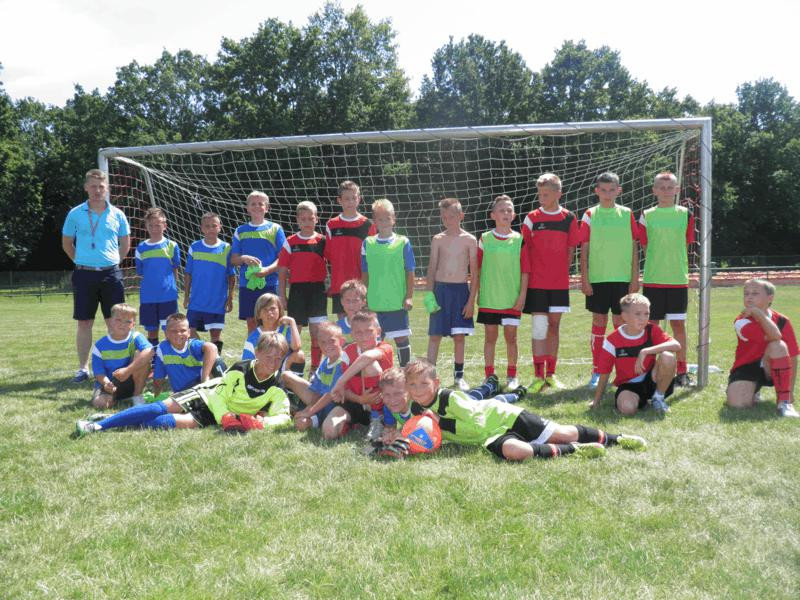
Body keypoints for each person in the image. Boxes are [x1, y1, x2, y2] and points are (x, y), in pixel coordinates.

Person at [379, 360, 646, 461]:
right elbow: (422, 434)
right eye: (412, 385)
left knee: (563, 433)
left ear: (436, 383)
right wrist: (398, 438)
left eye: (424, 384)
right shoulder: (416, 408)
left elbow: (475, 424)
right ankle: (575, 450)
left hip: (504, 417)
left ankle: (617, 439)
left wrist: (440, 421)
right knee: (517, 452)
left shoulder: (450, 398)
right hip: (489, 437)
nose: (418, 390)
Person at [76, 332, 291, 435]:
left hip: (217, 416)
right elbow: (219, 395)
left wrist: (260, 423)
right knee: (157, 408)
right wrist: (226, 417)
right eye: (269, 356)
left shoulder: (277, 385)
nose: (274, 363)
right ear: (257, 353)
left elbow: (283, 416)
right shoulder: (241, 369)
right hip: (205, 396)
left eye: (279, 358)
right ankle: (97, 426)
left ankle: (113, 420)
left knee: (160, 423)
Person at [61, 169, 131, 383]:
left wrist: (112, 263)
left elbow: (125, 244)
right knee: (84, 323)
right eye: (93, 186)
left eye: (101, 186)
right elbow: (67, 244)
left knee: (115, 322)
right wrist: (83, 261)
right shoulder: (75, 213)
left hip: (111, 274)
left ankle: (117, 367)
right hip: (84, 274)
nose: (97, 190)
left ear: (107, 188)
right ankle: (83, 369)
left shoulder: (117, 214)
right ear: (86, 188)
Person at [521, 173, 581, 394]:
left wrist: (560, 273)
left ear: (558, 194)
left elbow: (571, 250)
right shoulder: (531, 218)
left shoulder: (569, 218)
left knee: (554, 327)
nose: (541, 198)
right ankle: (538, 376)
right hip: (537, 283)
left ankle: (551, 374)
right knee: (539, 328)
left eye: (546, 194)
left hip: (559, 284)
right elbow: (525, 250)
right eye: (540, 194)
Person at [580, 172, 640, 389]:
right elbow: (584, 249)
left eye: (611, 190)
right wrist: (585, 278)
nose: (607, 194)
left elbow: (634, 247)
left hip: (622, 278)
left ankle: (622, 371)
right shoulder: (590, 214)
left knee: (621, 323)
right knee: (598, 322)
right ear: (597, 191)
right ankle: (597, 371)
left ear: (618, 191)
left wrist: (634, 278)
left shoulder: (627, 214)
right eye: (603, 190)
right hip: (598, 278)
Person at [638, 172, 696, 387]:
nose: (665, 191)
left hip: (677, 279)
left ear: (677, 190)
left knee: (678, 325)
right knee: (651, 326)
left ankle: (681, 370)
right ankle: (649, 369)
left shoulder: (686, 214)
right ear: (654, 190)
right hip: (653, 279)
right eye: (661, 187)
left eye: (669, 187)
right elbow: (645, 246)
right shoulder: (647, 215)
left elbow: (686, 244)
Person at [472, 195, 529, 391]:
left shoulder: (519, 239)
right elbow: (477, 269)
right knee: (490, 337)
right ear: (493, 215)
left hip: (511, 299)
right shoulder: (485, 238)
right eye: (501, 210)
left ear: (513, 215)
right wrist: (477, 293)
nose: (506, 213)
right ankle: (489, 375)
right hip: (490, 298)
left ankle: (512, 375)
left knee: (511, 338)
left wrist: (522, 295)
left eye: (509, 210)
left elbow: (525, 271)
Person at [590, 293, 680, 415]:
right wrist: (596, 401)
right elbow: (605, 373)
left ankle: (658, 397)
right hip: (629, 385)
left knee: (667, 356)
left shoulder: (652, 330)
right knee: (627, 408)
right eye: (638, 314)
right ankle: (640, 400)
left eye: (646, 314)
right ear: (624, 316)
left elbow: (676, 345)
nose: (643, 318)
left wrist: (645, 351)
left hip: (653, 379)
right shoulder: (612, 340)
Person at [425, 198, 478, 392]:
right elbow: (432, 268)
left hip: (460, 292)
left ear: (461, 216)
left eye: (452, 216)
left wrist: (471, 301)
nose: (448, 220)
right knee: (435, 335)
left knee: (459, 336)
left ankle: (459, 376)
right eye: (444, 217)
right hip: (440, 292)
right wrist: (429, 295)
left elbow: (475, 273)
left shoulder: (470, 240)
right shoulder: (438, 239)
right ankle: (429, 376)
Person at [726, 278, 799, 417]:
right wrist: (758, 313)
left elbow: (793, 357)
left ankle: (784, 402)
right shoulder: (741, 321)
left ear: (770, 298)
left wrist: (790, 393)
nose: (749, 297)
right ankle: (753, 390)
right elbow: (774, 334)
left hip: (772, 368)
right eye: (746, 294)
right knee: (738, 405)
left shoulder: (783, 320)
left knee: (778, 346)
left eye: (755, 293)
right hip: (747, 367)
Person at [361, 198, 415, 367]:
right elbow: (365, 273)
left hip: (397, 302)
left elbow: (410, 271)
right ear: (374, 221)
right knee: (374, 340)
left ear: (394, 219)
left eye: (387, 218)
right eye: (380, 219)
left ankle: (405, 372)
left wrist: (409, 296)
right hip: (374, 303)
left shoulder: (403, 242)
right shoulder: (367, 243)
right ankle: (378, 374)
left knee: (401, 338)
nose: (384, 222)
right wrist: (364, 297)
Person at [327, 310, 395, 441]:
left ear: (378, 332)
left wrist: (340, 381)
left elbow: (367, 357)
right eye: (358, 332)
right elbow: (344, 392)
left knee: (371, 365)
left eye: (369, 331)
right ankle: (355, 424)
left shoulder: (385, 347)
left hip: (383, 404)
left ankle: (378, 419)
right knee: (329, 432)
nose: (364, 336)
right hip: (357, 402)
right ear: (352, 334)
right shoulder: (347, 352)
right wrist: (360, 399)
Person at [278, 201, 328, 374]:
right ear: (298, 220)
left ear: (316, 219)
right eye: (303, 219)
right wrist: (282, 295)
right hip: (297, 291)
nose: (307, 222)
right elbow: (282, 270)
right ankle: (290, 367)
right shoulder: (290, 241)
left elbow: (334, 262)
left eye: (310, 218)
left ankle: (315, 369)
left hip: (317, 291)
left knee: (317, 333)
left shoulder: (323, 241)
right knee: (294, 331)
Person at [231, 191, 287, 333]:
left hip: (270, 283)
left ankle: (274, 347)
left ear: (267, 208)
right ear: (247, 208)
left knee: (272, 321)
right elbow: (233, 259)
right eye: (253, 204)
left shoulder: (275, 229)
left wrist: (267, 270)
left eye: (260, 204)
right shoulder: (240, 230)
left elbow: (283, 258)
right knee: (252, 322)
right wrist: (243, 258)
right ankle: (253, 347)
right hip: (247, 285)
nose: (257, 207)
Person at [282, 322, 350, 433]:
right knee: (286, 375)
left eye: (332, 341)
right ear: (318, 344)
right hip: (319, 405)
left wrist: (309, 412)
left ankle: (322, 421)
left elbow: (330, 395)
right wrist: (307, 410)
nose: (327, 346)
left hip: (334, 407)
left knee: (304, 423)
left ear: (341, 342)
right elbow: (316, 392)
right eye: (323, 342)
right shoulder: (326, 362)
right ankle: (295, 406)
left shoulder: (343, 361)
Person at [183, 212, 236, 355]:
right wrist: (186, 296)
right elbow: (188, 273)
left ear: (220, 227)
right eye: (207, 226)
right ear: (201, 228)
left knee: (215, 336)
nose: (211, 229)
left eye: (214, 226)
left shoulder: (226, 248)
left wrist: (230, 298)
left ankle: (214, 363)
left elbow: (232, 276)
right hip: (196, 301)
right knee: (189, 332)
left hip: (217, 302)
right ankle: (203, 354)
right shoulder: (194, 247)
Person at [324, 180, 376, 318]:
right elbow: (328, 255)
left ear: (359, 199)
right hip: (339, 285)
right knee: (343, 324)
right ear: (339, 200)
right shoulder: (331, 225)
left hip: (361, 285)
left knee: (362, 322)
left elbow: (372, 258)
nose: (351, 202)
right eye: (347, 198)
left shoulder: (368, 225)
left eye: (354, 198)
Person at [90, 303, 153, 409]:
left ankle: (137, 396)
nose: (122, 324)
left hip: (131, 380)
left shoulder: (136, 337)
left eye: (128, 321)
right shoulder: (100, 345)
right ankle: (117, 398)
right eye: (118, 320)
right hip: (109, 383)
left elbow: (150, 351)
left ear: (133, 324)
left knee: (141, 354)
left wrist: (127, 370)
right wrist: (106, 383)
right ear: (110, 321)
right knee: (99, 403)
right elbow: (99, 373)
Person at [135, 207, 181, 347]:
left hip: (168, 296)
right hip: (148, 297)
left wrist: (173, 288)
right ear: (146, 226)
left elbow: (175, 269)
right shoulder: (141, 248)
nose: (154, 229)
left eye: (158, 225)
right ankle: (153, 358)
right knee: (152, 332)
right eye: (151, 225)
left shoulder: (172, 246)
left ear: (164, 226)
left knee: (171, 331)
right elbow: (140, 272)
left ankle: (169, 357)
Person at [152, 313, 225, 396]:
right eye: (174, 331)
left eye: (183, 330)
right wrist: (156, 396)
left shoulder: (192, 345)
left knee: (216, 362)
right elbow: (158, 379)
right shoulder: (162, 349)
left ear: (189, 332)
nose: (179, 334)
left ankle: (222, 393)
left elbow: (212, 347)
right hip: (182, 393)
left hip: (201, 387)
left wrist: (205, 380)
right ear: (166, 333)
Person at [242, 293, 304, 376]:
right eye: (265, 309)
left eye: (273, 308)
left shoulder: (286, 329)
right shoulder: (254, 336)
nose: (269, 313)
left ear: (279, 310)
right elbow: (247, 362)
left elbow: (296, 347)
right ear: (259, 315)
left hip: (283, 370)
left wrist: (292, 322)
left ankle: (289, 384)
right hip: (264, 371)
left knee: (299, 355)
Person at [335, 279, 367, 343]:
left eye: (355, 300)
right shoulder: (337, 327)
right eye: (347, 300)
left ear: (363, 302)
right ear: (342, 301)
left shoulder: (369, 324)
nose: (351, 304)